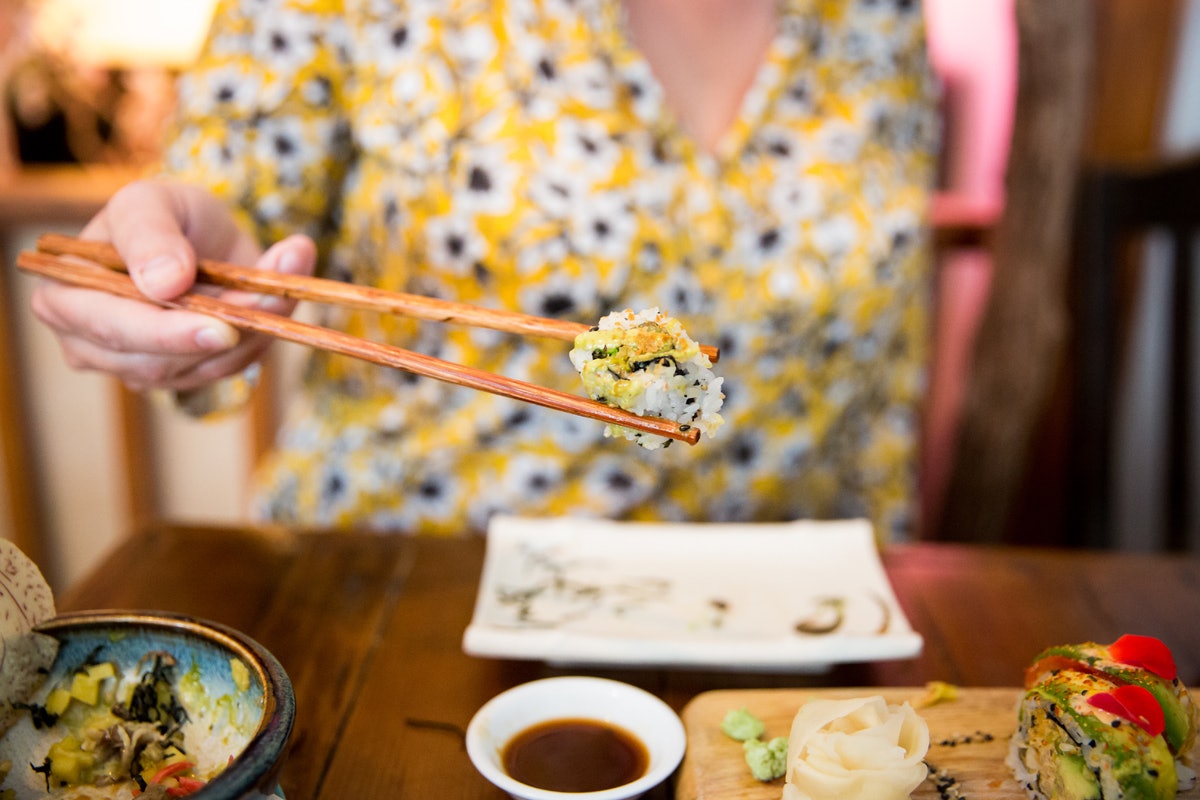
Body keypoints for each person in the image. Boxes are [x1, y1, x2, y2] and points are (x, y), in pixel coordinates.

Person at [30, 0, 940, 539]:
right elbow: (236, 206)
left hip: (778, 620)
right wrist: (200, 270)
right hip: (407, 595)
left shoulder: (878, 16)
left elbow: (883, 372)